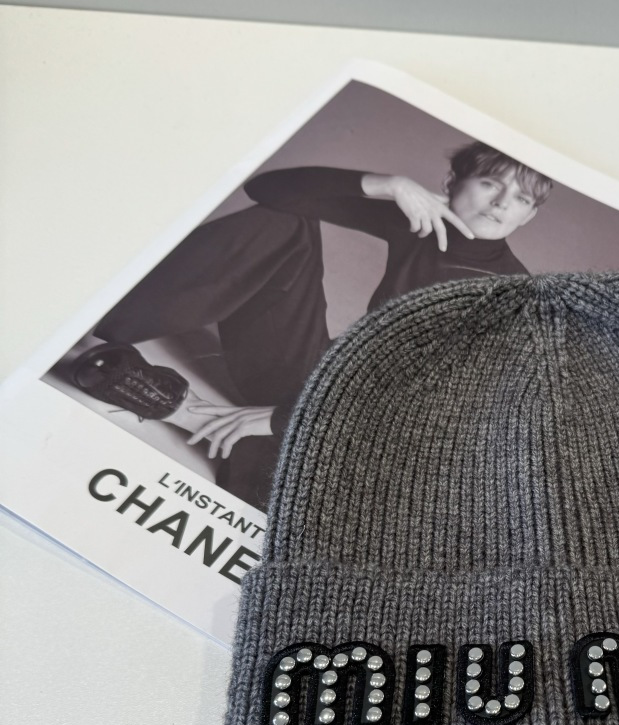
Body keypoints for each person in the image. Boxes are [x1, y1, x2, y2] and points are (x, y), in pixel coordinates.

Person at [78, 142, 554, 509]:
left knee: (295, 490)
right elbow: (270, 191)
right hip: (326, 388)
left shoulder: (512, 299)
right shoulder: (425, 223)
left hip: (376, 442)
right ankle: (104, 320)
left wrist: (284, 419)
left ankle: (192, 415)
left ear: (531, 216)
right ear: (453, 181)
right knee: (286, 224)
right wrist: (387, 184)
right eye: (490, 184)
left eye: (521, 199)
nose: (501, 204)